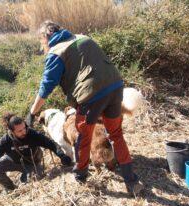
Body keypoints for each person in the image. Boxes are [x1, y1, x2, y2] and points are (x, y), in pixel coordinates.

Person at [26, 20, 143, 196]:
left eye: (42, 40)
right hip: (116, 86)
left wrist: (32, 112)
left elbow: (46, 87)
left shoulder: (56, 52)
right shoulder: (83, 38)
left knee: (83, 137)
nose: (42, 44)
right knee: (116, 135)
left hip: (91, 97)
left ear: (46, 36)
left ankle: (80, 175)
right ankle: (132, 181)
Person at [0, 113, 72, 191]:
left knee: (28, 183)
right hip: (13, 161)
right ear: (11, 131)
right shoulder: (5, 140)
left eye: (24, 128)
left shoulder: (32, 134)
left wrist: (62, 156)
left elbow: (51, 144)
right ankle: (11, 188)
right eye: (19, 131)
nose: (24, 132)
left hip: (33, 163)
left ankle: (24, 177)